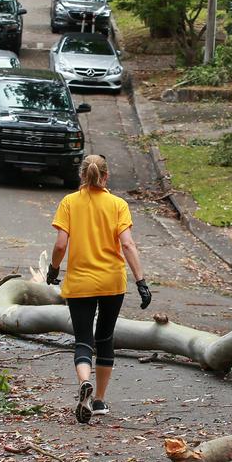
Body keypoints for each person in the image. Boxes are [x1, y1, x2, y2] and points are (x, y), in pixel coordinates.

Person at [47, 155, 151, 423]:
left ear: (82, 175)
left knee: (83, 339)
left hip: (80, 282)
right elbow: (127, 245)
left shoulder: (69, 203)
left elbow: (60, 245)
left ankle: (84, 381)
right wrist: (140, 281)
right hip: (111, 282)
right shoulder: (118, 205)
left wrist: (53, 269)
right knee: (105, 337)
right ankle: (100, 400)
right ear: (105, 177)